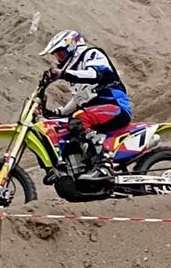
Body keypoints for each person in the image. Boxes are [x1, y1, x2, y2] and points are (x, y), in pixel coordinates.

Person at [39, 30, 132, 183]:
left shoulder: (92, 54)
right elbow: (79, 98)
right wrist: (55, 113)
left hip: (115, 106)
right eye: (56, 55)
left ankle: (104, 166)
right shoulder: (77, 70)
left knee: (79, 119)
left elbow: (95, 75)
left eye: (60, 54)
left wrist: (63, 74)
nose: (58, 58)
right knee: (65, 127)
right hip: (97, 111)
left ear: (71, 47)